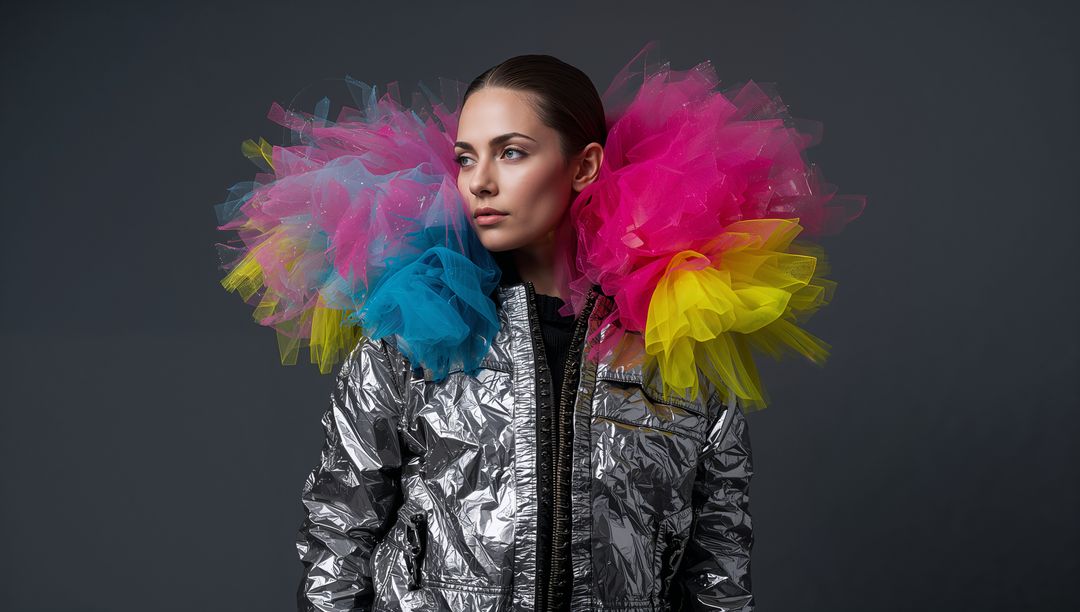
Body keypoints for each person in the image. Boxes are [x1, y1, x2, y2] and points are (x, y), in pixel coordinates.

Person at [215, 41, 864, 612]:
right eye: (467, 158)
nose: (482, 182)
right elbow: (338, 537)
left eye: (513, 152)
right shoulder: (410, 335)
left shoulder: (675, 345)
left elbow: (719, 564)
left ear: (582, 167)